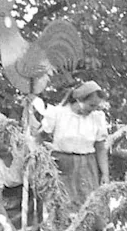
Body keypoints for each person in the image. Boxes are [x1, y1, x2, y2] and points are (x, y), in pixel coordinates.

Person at [40, 81, 110, 209]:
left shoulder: (97, 118)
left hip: (87, 166)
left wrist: (105, 173)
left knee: (89, 206)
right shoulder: (58, 114)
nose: (93, 109)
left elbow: (100, 148)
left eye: (96, 106)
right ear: (79, 100)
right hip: (62, 165)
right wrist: (40, 161)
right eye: (91, 105)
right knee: (63, 205)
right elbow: (38, 139)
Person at [0, 139, 32, 231]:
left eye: (7, 138)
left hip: (29, 197)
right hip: (9, 206)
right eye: (0, 139)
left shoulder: (21, 151)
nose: (6, 142)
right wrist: (10, 229)